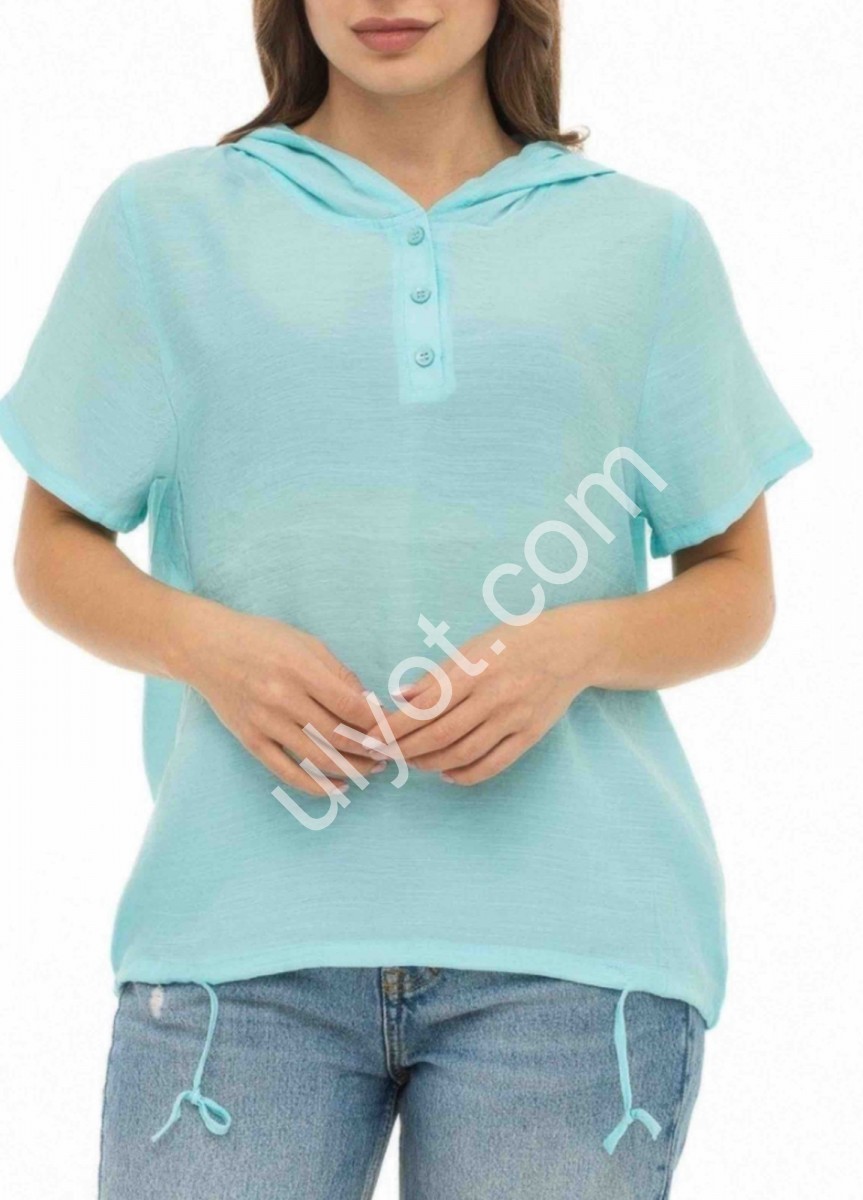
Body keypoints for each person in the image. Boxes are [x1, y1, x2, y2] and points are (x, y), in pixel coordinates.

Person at [0, 1, 812, 1197]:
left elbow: (735, 589)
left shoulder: (644, 242)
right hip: (239, 944)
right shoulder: (164, 225)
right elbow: (54, 546)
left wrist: (573, 648)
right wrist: (205, 645)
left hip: (574, 950)